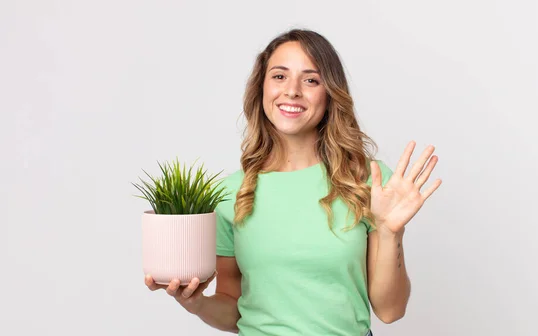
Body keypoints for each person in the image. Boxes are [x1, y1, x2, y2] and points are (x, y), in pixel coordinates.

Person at [145, 28, 442, 336]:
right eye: (279, 76)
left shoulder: (367, 181)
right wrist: (196, 304)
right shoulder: (231, 193)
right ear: (262, 88)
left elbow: (390, 311)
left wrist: (390, 231)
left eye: (311, 79)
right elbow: (234, 309)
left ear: (330, 93)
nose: (292, 91)